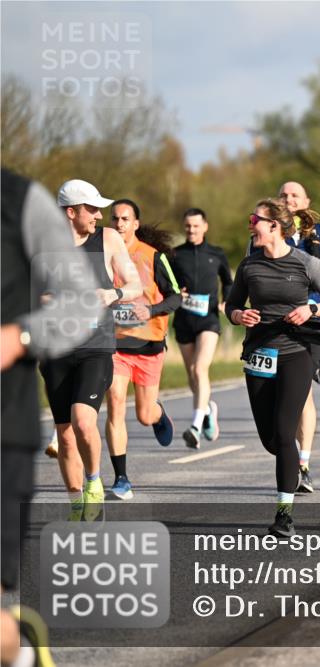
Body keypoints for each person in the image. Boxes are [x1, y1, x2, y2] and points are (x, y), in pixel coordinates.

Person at [1, 169, 103, 667]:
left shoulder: (20, 202)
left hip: (5, 425)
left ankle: (15, 649)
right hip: (51, 371)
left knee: (83, 424)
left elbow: (84, 302)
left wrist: (19, 336)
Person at [226, 198, 320, 536]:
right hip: (259, 355)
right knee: (271, 440)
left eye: (255, 219)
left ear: (274, 227)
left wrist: (311, 309)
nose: (251, 224)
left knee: (283, 431)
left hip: (296, 353)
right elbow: (232, 305)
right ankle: (292, 467)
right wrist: (238, 315)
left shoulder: (306, 264)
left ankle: (284, 514)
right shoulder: (249, 266)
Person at [41, 180, 142, 520]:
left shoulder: (108, 240)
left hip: (95, 347)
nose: (100, 215)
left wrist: (111, 294)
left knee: (85, 422)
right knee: (65, 437)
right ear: (71, 212)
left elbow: (134, 284)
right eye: (92, 209)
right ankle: (76, 507)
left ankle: (95, 482)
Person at [104, 199, 182, 499]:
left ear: (136, 223)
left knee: (144, 415)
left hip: (149, 345)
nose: (119, 223)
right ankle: (121, 479)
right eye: (115, 219)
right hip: (116, 345)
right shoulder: (104, 257)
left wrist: (149, 311)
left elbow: (175, 297)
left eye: (125, 219)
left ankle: (158, 415)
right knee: (115, 402)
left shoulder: (153, 257)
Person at [272, 182, 320, 493]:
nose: (289, 199)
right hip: (276, 321)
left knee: (301, 390)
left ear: (306, 201)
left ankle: (302, 464)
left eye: (295, 195)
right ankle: (290, 455)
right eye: (284, 195)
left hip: (312, 321)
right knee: (280, 393)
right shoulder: (268, 231)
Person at [172, 208, 233, 448]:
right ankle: (207, 408)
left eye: (196, 226)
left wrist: (227, 300)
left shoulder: (217, 253)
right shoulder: (176, 254)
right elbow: (166, 282)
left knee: (200, 369)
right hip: (184, 320)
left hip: (208, 319)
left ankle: (196, 426)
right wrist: (176, 291)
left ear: (205, 226)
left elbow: (228, 281)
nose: (191, 230)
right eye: (188, 226)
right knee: (191, 376)